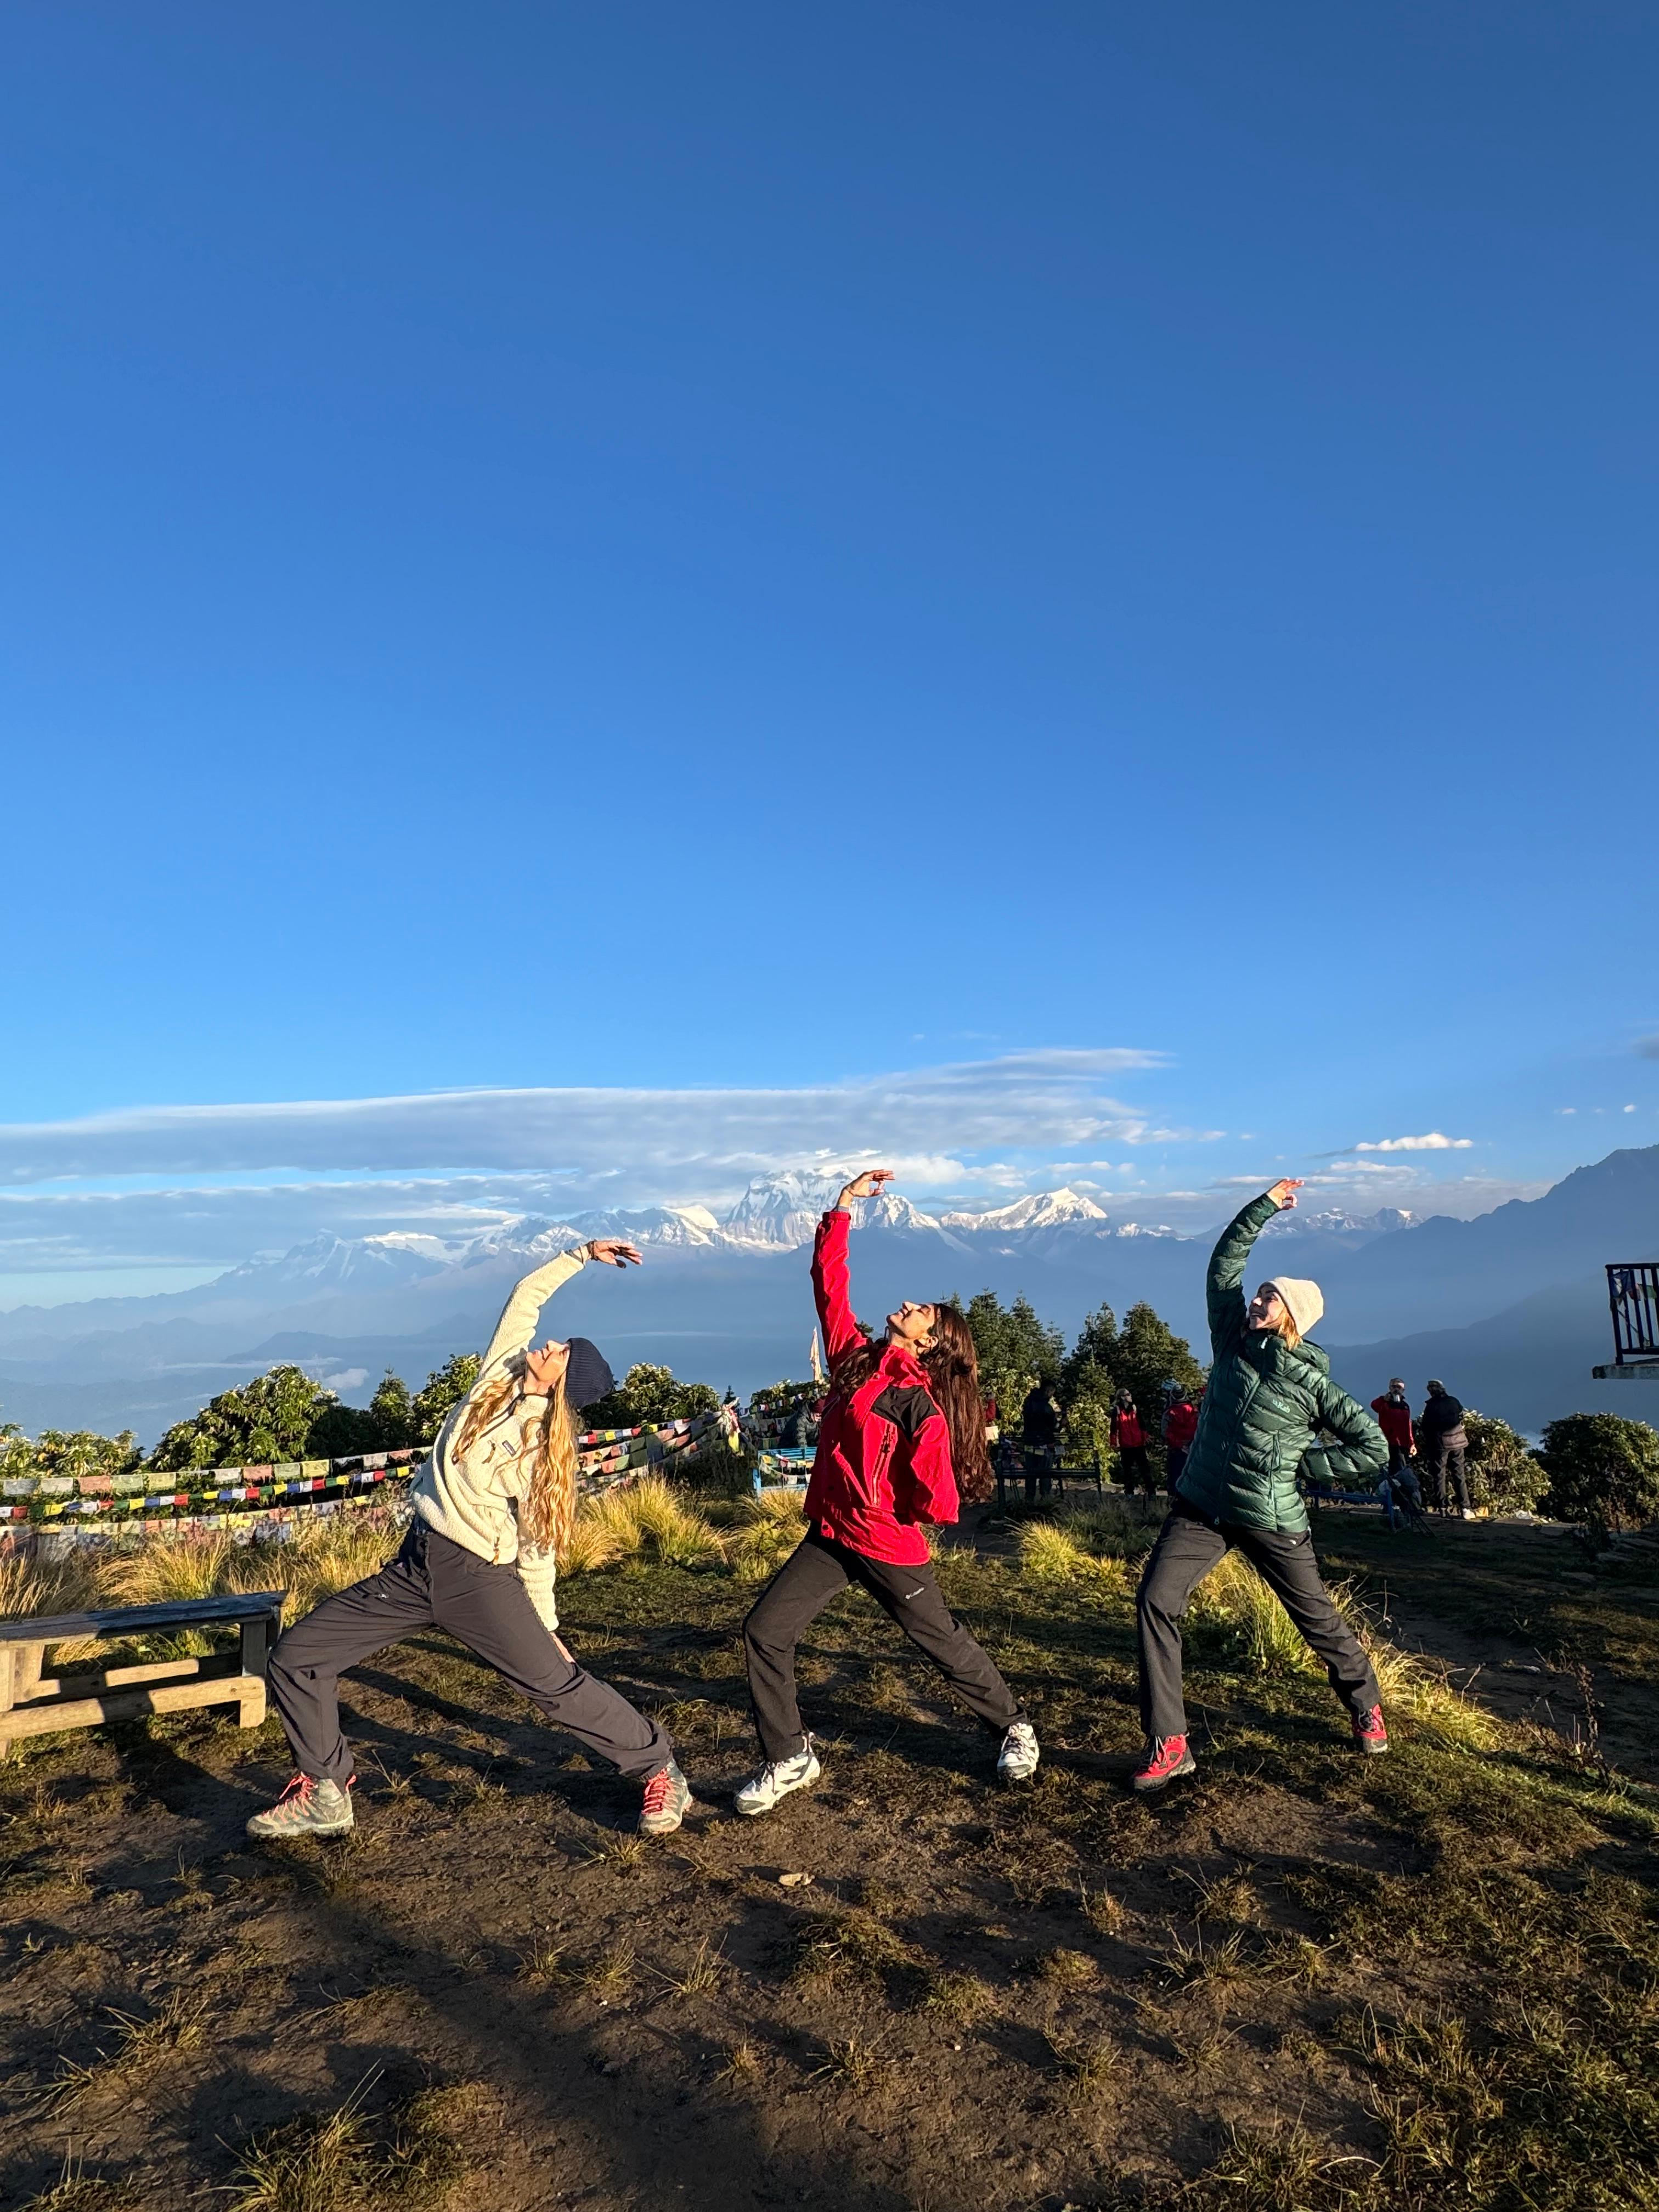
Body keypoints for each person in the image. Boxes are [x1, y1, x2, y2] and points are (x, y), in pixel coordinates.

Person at [244, 1239, 693, 1842]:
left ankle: (658, 1766)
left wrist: (548, 1627)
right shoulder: (496, 1380)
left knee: (556, 1690)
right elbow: (524, 1299)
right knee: (298, 1657)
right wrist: (581, 1253)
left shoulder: (544, 1457)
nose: (551, 1346)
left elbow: (538, 1547)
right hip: (415, 1565)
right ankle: (325, 1790)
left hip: (480, 1579)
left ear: (563, 1386)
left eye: (564, 1354)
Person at [735, 1170, 1039, 1814]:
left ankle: (1014, 1727)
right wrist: (843, 1209)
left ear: (929, 1343)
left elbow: (937, 1501)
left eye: (921, 1311)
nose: (907, 1304)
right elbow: (829, 1285)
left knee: (942, 1642)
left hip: (884, 1542)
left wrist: (876, 1496)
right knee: (764, 1630)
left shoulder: (919, 1405)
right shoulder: (855, 1357)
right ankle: (790, 1756)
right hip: (832, 1533)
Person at [1131, 1180, 1392, 1792]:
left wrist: (1303, 1472)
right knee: (1155, 1603)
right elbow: (1224, 1267)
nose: (1257, 1301)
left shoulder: (1314, 1387)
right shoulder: (1233, 1343)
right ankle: (1170, 1741)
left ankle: (1365, 1706)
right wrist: (1264, 1207)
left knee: (1317, 1621)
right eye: (1261, 1293)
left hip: (1270, 1517)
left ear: (1293, 1317)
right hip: (1200, 1507)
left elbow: (1372, 1448)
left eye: (1270, 1298)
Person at [1419, 1380, 1471, 1517]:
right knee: (1459, 1474)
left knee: (1439, 1476)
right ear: (1443, 1389)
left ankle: (1442, 1508)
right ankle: (1465, 1508)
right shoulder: (1454, 1401)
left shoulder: (1431, 1406)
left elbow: (1425, 1426)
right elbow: (1461, 1416)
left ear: (1430, 1392)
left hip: (1439, 1445)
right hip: (1457, 1442)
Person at [1020, 1379, 1060, 1503]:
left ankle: (1029, 1498)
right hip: (1044, 1443)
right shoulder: (1046, 1407)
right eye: (1052, 1393)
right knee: (1045, 1472)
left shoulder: (1028, 1403)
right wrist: (1062, 1423)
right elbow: (1054, 1427)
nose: (1051, 1396)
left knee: (1031, 1472)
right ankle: (1045, 1498)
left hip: (1029, 1442)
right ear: (1048, 1391)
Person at [1111, 1390, 1152, 1493]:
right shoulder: (1117, 1410)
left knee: (1145, 1469)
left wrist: (1145, 1437)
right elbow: (1114, 1428)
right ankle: (1129, 1492)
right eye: (1128, 1395)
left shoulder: (1135, 1408)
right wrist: (1113, 1443)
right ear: (1122, 1397)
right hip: (1126, 1445)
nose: (1131, 1396)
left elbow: (1142, 1424)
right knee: (1128, 1471)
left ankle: (1151, 1491)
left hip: (1138, 1443)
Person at [1161, 1383, 1199, 1492]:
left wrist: (1180, 1445)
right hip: (1193, 1449)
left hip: (1176, 1449)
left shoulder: (1168, 1413)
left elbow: (1165, 1432)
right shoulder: (1194, 1411)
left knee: (1174, 1476)